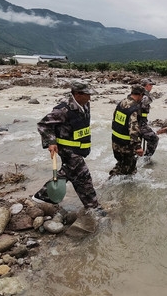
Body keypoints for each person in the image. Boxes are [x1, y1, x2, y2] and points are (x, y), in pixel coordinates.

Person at [32, 81, 105, 215]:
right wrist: (51, 142)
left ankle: (41, 196)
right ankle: (93, 207)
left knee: (71, 175)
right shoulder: (63, 110)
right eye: (87, 94)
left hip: (79, 148)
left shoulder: (85, 104)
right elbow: (43, 124)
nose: (90, 97)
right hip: (68, 150)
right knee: (84, 176)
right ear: (77, 94)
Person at [110, 85, 145, 177]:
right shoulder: (134, 108)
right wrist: (138, 147)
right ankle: (113, 185)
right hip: (126, 146)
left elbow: (114, 120)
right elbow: (133, 129)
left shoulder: (121, 103)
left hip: (115, 142)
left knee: (121, 165)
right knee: (129, 171)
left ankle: (111, 181)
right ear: (140, 95)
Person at [139, 78, 159, 162]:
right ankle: (146, 159)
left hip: (139, 122)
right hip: (139, 123)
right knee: (154, 139)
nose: (152, 87)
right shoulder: (145, 96)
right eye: (151, 85)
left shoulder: (137, 94)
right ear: (147, 86)